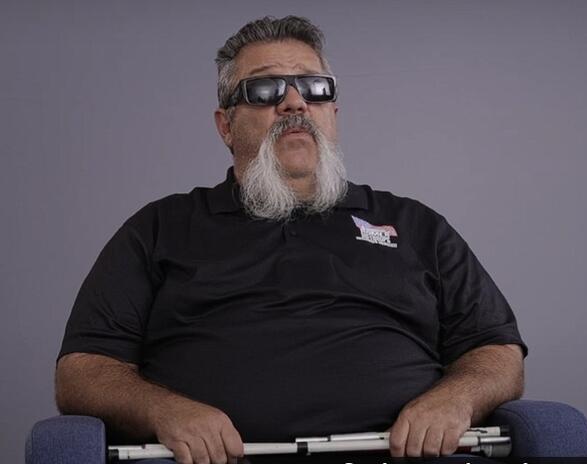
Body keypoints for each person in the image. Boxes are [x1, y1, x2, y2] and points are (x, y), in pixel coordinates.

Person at [55, 16, 527, 464]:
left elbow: (496, 351)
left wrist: (455, 399)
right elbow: (82, 372)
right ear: (226, 125)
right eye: (265, 89)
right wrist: (166, 411)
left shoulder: (418, 226)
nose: (295, 103)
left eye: (315, 87)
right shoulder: (160, 228)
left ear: (333, 113)